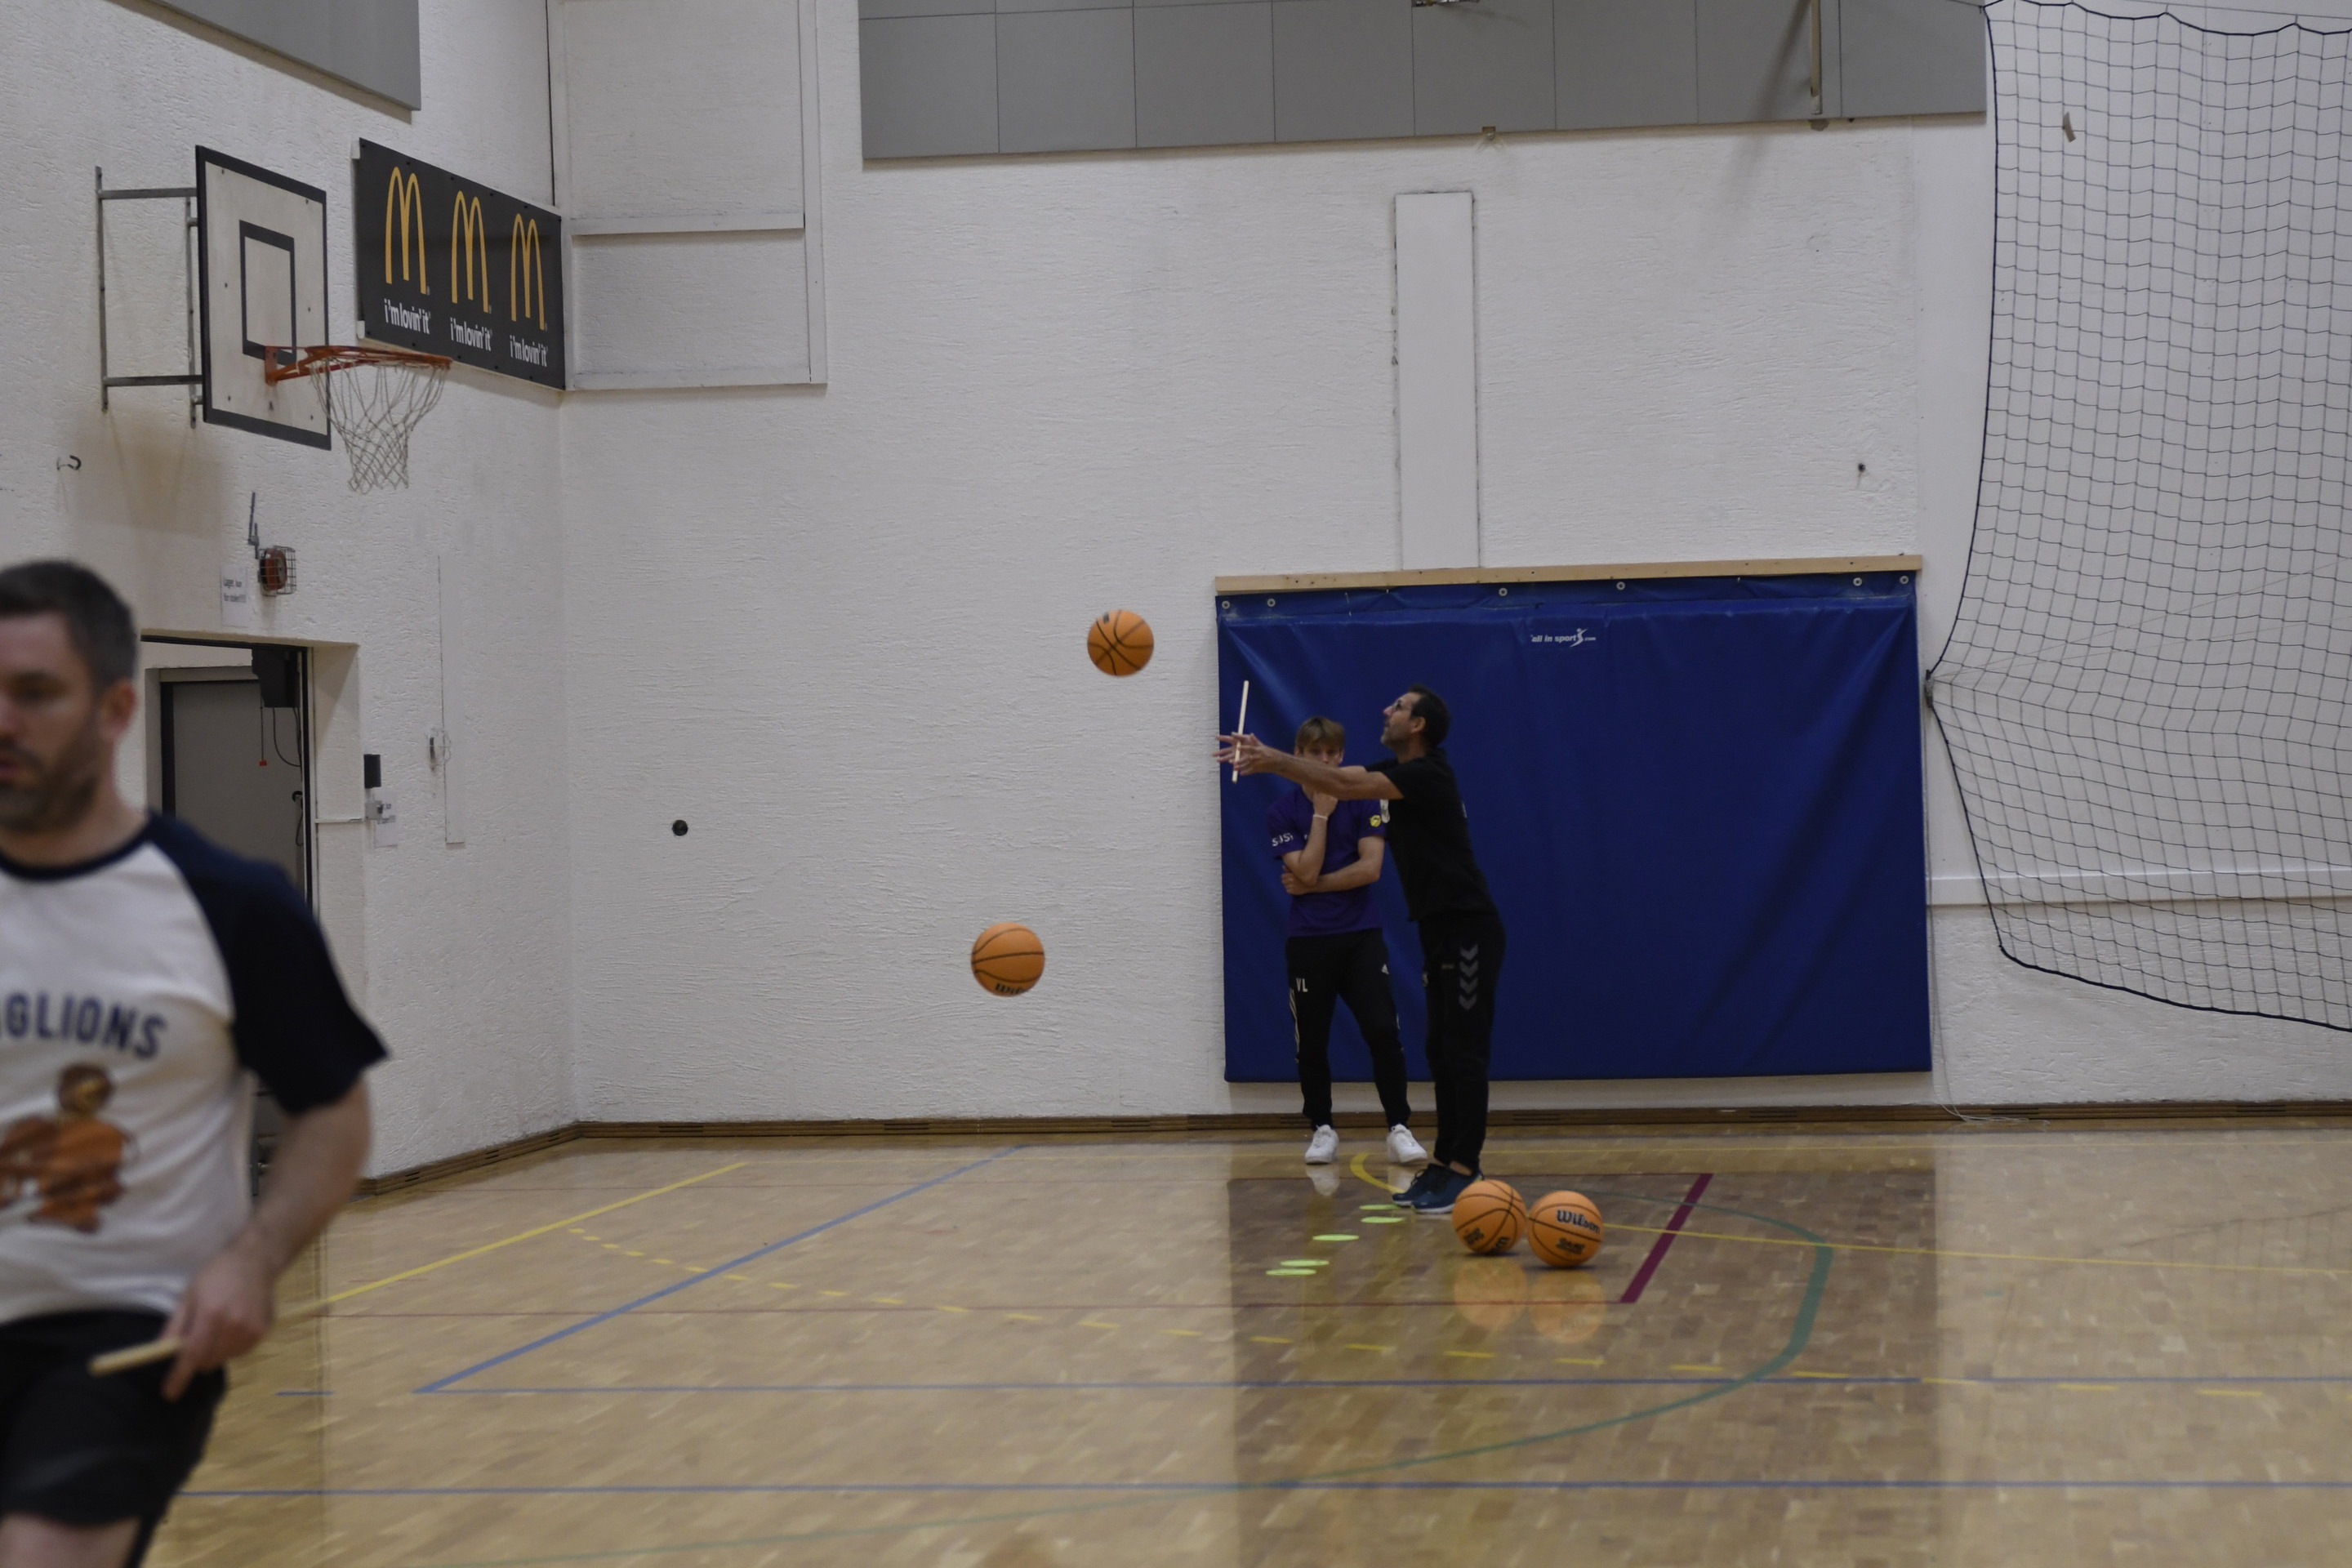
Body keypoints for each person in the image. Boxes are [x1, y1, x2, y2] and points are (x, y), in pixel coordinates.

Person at [0, 560, 382, 1568]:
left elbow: (333, 1112)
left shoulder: (227, 904)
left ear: (116, 710)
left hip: (120, 1326)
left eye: (34, 693)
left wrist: (251, 1260)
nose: (3, 721)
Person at [1222, 685, 1503, 1216]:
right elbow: (1337, 779)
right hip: (1438, 930)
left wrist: (1271, 758)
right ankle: (1445, 1164)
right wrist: (1281, 764)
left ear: (1418, 725)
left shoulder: (1428, 774)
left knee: (1463, 1050)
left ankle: (1466, 1169)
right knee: (1441, 1049)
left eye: (1399, 707)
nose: (1386, 710)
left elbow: (1340, 784)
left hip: (1468, 929)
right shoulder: (1394, 774)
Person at [1265, 716, 1425, 1169]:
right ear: (1299, 754)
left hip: (1360, 937)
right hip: (1309, 941)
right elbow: (1305, 867)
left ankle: (1399, 1128)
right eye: (1315, 753)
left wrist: (1310, 886)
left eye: (1331, 753)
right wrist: (1320, 814)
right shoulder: (1281, 812)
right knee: (1312, 1041)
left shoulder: (1366, 799)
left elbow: (1369, 869)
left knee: (1382, 1030)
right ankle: (1322, 1128)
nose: (1324, 761)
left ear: (1341, 756)